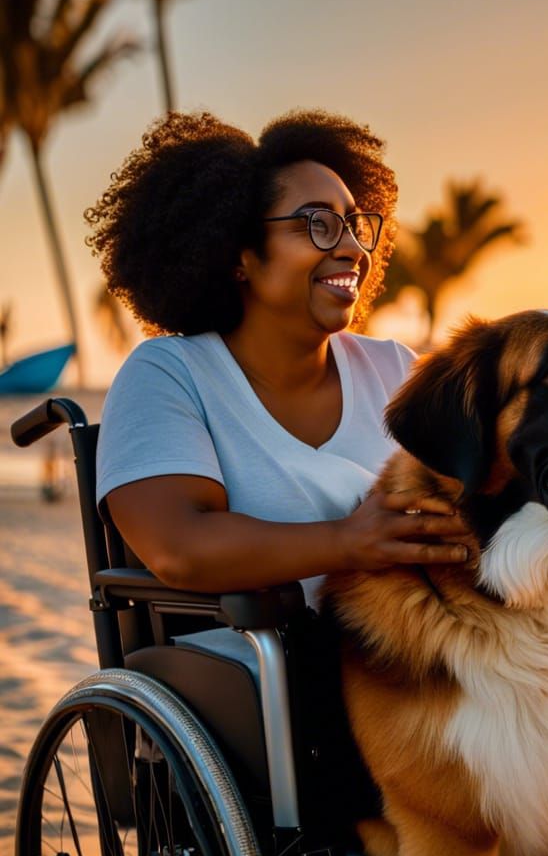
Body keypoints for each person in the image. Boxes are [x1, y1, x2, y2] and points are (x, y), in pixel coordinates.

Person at [86, 110, 471, 603]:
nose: (353, 248)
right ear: (238, 254)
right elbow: (178, 548)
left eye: (354, 224)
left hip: (403, 659)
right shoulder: (169, 374)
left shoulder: (396, 369)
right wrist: (346, 542)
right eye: (318, 223)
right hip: (249, 662)